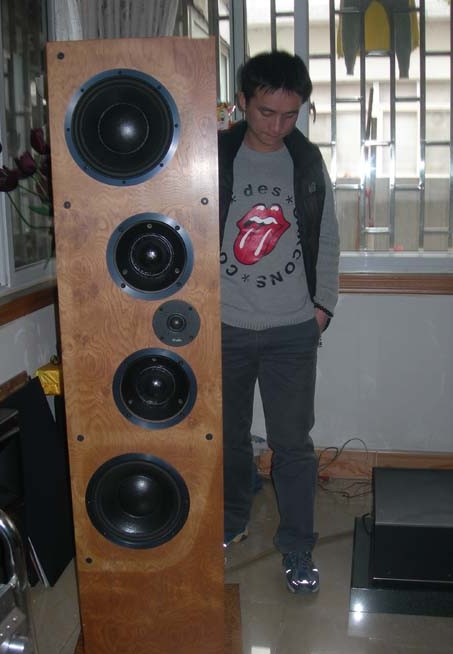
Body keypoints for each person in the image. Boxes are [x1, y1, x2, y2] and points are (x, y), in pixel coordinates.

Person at [218, 50, 340, 594]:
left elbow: (328, 237)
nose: (277, 126)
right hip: (225, 326)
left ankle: (297, 546)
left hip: (292, 329)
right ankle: (230, 521)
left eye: (290, 115)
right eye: (266, 112)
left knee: (292, 444)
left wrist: (322, 307)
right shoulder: (215, 157)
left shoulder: (306, 163)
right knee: (227, 437)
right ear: (243, 102)